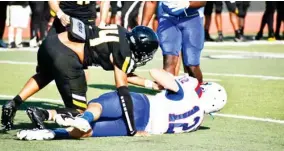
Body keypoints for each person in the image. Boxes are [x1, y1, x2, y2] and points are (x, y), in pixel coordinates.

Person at [1, 18, 159, 137]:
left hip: (50, 43)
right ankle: (43, 113)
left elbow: (124, 74)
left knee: (44, 75)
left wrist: (150, 84)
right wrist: (132, 130)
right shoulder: (124, 53)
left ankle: (13, 104)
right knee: (80, 112)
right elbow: (122, 89)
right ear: (139, 47)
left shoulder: (122, 32)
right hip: (66, 56)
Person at [16, 69, 227, 140]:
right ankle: (52, 134)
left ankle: (83, 118)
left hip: (144, 105)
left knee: (98, 105)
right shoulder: (197, 120)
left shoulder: (189, 90)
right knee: (89, 133)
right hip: (144, 127)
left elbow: (157, 73)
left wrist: (174, 79)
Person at [141, 1, 205, 83]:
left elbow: (202, 2)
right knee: (169, 60)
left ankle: (200, 91)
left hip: (192, 18)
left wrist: (187, 4)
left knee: (191, 64)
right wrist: (143, 27)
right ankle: (169, 93)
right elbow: (151, 2)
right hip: (167, 18)